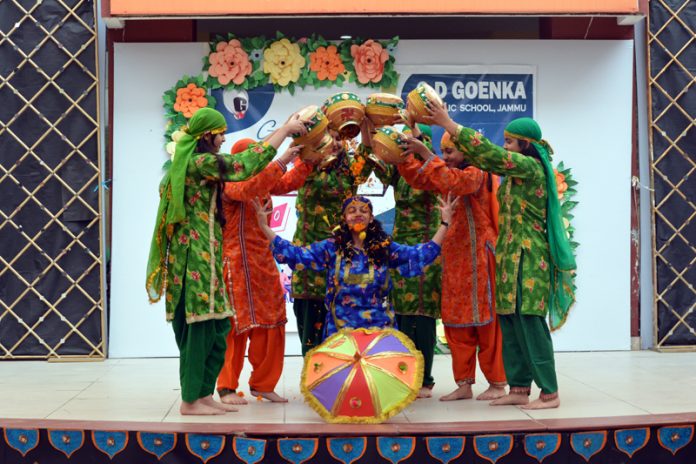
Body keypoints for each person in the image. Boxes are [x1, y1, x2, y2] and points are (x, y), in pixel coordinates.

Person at [145, 107, 306, 415]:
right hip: (195, 258)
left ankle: (204, 395)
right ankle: (191, 400)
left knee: (217, 330)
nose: (222, 139)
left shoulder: (201, 165)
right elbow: (244, 166)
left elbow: (256, 173)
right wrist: (284, 134)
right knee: (200, 330)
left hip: (213, 256)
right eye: (219, 134)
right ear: (207, 136)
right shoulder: (199, 163)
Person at [423, 104, 576, 409]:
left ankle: (549, 392)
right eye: (504, 141)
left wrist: (449, 124)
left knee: (531, 324)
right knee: (510, 323)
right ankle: (519, 389)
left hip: (530, 259)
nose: (505, 146)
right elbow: (483, 158)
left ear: (525, 146)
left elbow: (491, 156)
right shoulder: (513, 173)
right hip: (508, 258)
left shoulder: (531, 168)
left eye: (509, 142)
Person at [397, 131, 507, 402]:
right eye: (442, 153)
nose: (445, 157)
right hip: (455, 258)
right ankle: (464, 383)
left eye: (449, 152)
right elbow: (419, 178)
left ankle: (497, 382)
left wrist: (425, 153)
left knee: (487, 323)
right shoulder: (447, 173)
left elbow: (454, 182)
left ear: (466, 152)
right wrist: (402, 157)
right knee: (456, 323)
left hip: (481, 257)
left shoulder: (477, 172)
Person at [253, 195, 457, 337]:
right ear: (344, 218)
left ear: (370, 218)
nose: (358, 214)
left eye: (363, 211)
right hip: (341, 331)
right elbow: (296, 255)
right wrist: (264, 226)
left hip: (380, 330)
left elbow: (421, 255)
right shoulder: (332, 248)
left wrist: (445, 224)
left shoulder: (384, 248)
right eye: (352, 211)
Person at [216, 138, 314, 405]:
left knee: (272, 322)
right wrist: (280, 161)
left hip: (262, 263)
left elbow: (289, 182)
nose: (257, 163)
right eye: (252, 158)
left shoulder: (262, 181)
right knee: (234, 327)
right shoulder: (229, 183)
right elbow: (250, 188)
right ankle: (226, 387)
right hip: (234, 264)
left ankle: (263, 384)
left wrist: (306, 158)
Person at [366, 122, 442, 399]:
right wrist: (367, 127)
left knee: (422, 315)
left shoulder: (435, 171)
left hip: (427, 248)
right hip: (399, 247)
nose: (406, 143)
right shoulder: (400, 168)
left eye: (413, 139)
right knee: (400, 312)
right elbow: (372, 157)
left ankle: (425, 379)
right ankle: (402, 374)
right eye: (404, 139)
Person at [290, 123, 374, 355]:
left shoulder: (349, 167)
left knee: (342, 325)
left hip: (341, 257)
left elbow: (367, 151)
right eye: (330, 138)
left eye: (340, 138)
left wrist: (366, 122)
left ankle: (339, 378)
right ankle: (313, 377)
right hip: (309, 255)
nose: (336, 144)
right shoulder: (307, 163)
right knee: (309, 323)